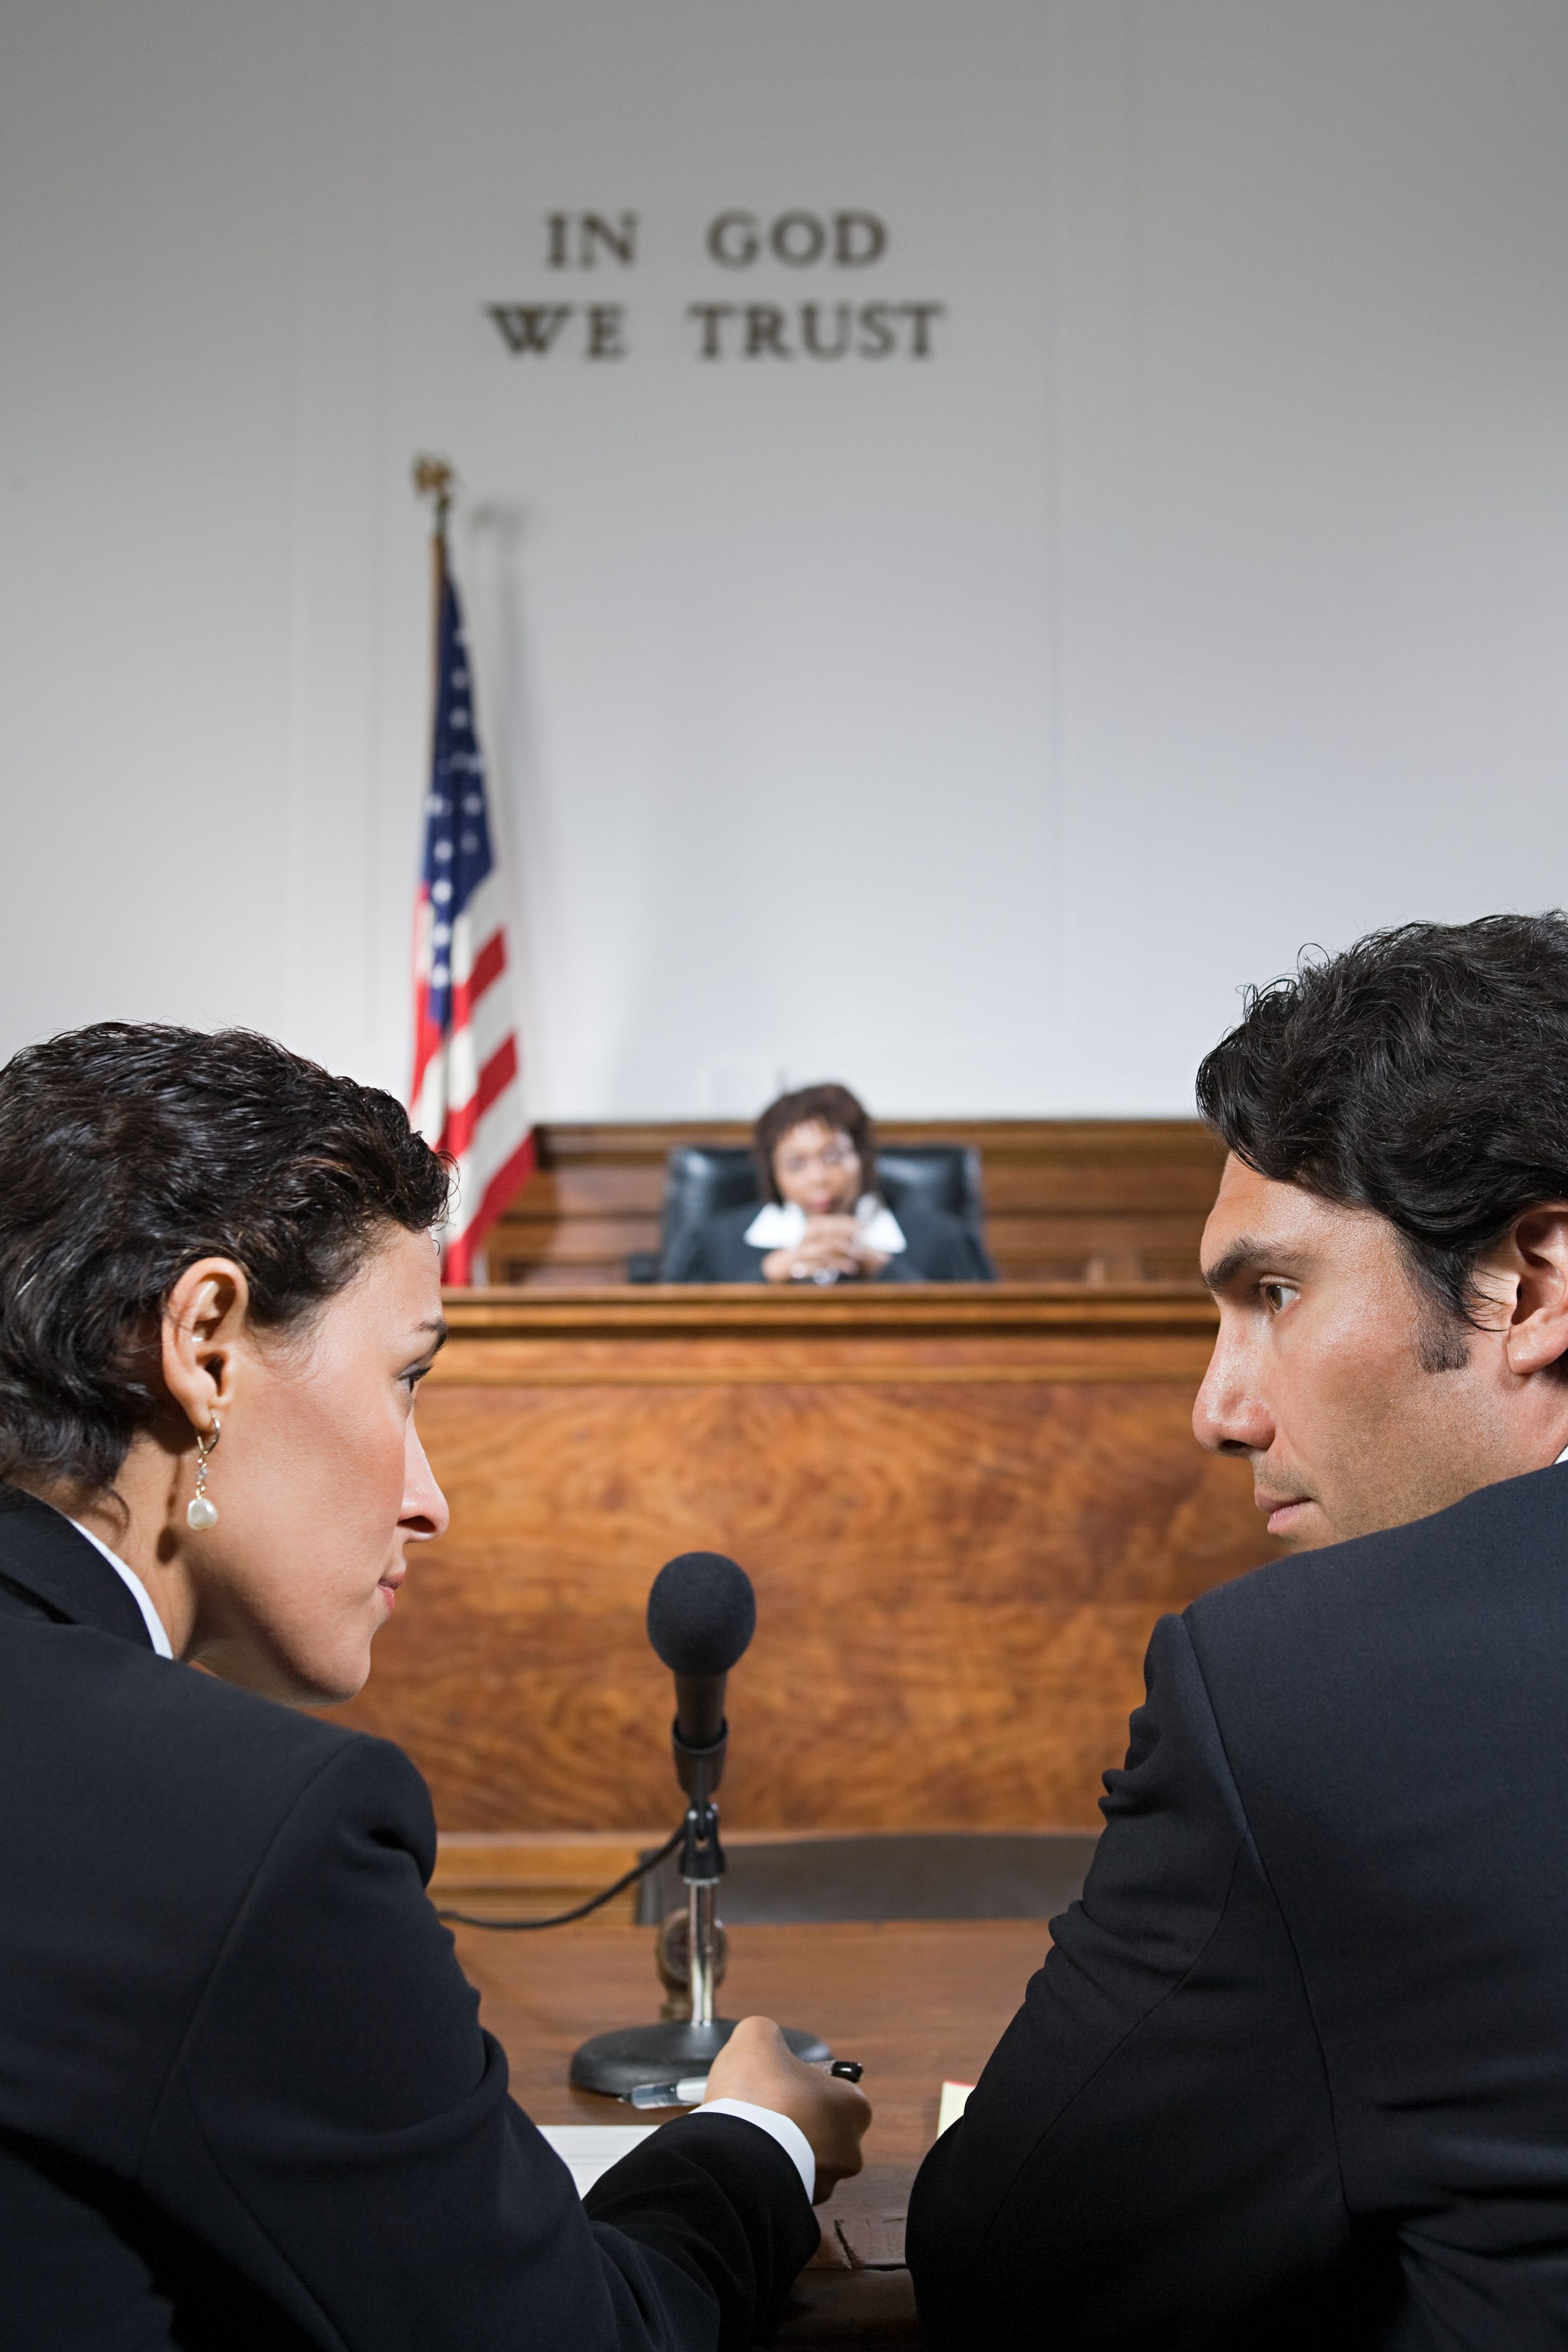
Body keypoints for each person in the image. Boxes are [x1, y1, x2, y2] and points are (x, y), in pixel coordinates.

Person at [0, 1022, 869, 2350]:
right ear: (209, 1346)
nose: (430, 1499)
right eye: (405, 1380)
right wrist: (757, 2137)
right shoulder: (247, 1830)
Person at [908, 914, 1568, 2349]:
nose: (1219, 1411)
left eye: (1275, 1295)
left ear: (1532, 1284)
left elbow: (1009, 2268)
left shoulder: (1304, 1696)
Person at [666, 1082, 994, 1284]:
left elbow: (984, 1336)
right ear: (772, 1173)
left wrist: (880, 1269)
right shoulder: (714, 1244)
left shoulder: (943, 1241)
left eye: (834, 1157)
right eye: (796, 1164)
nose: (818, 1179)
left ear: (863, 1159)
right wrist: (771, 1273)